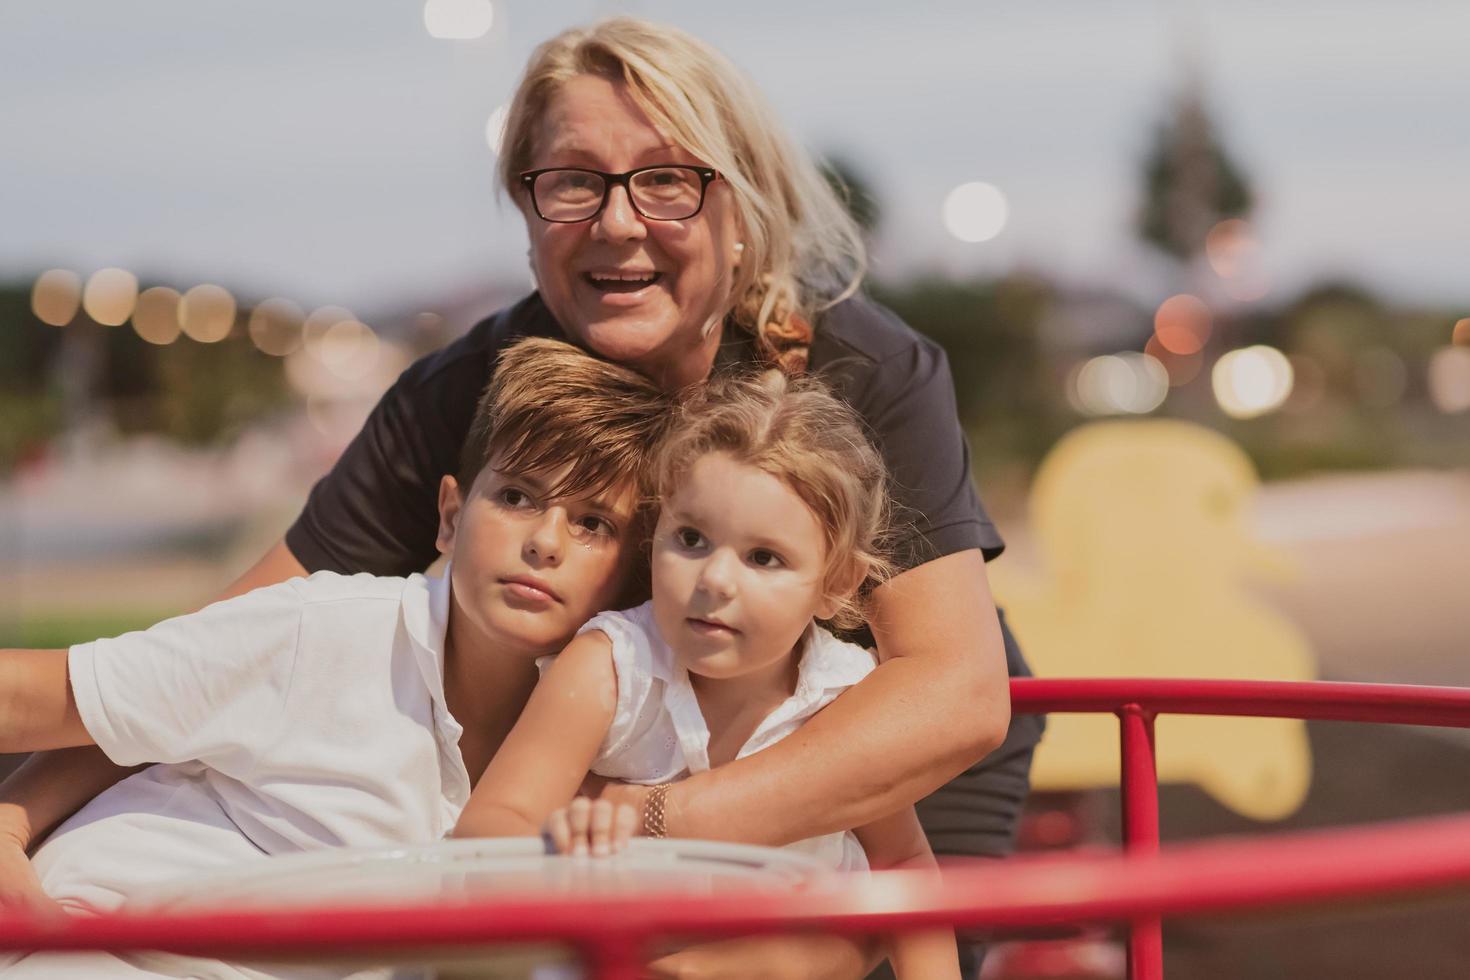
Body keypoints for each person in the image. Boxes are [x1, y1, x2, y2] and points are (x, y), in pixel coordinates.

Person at [0, 16, 1041, 977]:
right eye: (572, 182)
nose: (619, 223)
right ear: (526, 212)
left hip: (864, 782)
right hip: (596, 798)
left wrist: (646, 826)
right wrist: (20, 813)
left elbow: (952, 695)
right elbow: (224, 647)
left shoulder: (858, 368)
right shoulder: (476, 388)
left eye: (669, 181)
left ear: (743, 208)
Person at [0, 339, 674, 977]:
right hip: (98, 944)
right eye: (517, 496)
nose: (546, 541)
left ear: (631, 574)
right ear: (449, 516)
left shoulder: (602, 722)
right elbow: (27, 696)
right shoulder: (321, 630)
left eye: (593, 523)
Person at [458, 369, 961, 978]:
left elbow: (902, 863)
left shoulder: (840, 695)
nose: (716, 580)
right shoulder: (611, 666)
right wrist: (561, 843)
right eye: (691, 539)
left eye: (763, 558)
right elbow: (492, 823)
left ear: (836, 585)